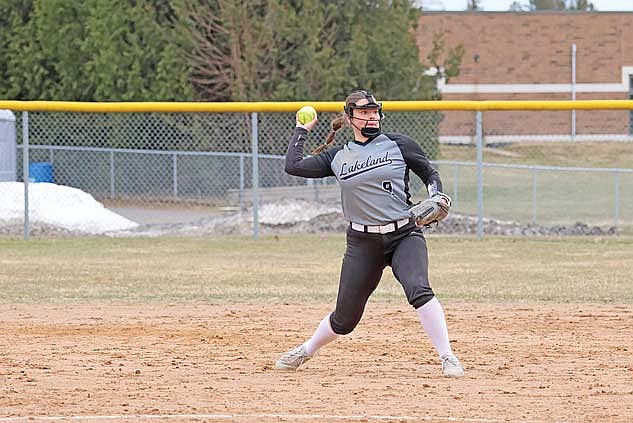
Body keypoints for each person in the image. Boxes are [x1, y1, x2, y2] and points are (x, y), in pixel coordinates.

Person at [275, 89, 464, 377]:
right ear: (350, 117)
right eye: (364, 112)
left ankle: (447, 356)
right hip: (362, 243)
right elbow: (293, 166)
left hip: (404, 234)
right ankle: (306, 350)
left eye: (374, 111)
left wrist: (436, 195)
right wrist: (302, 130)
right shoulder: (338, 156)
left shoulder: (399, 145)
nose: (371, 116)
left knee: (418, 288)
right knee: (344, 320)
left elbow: (429, 174)